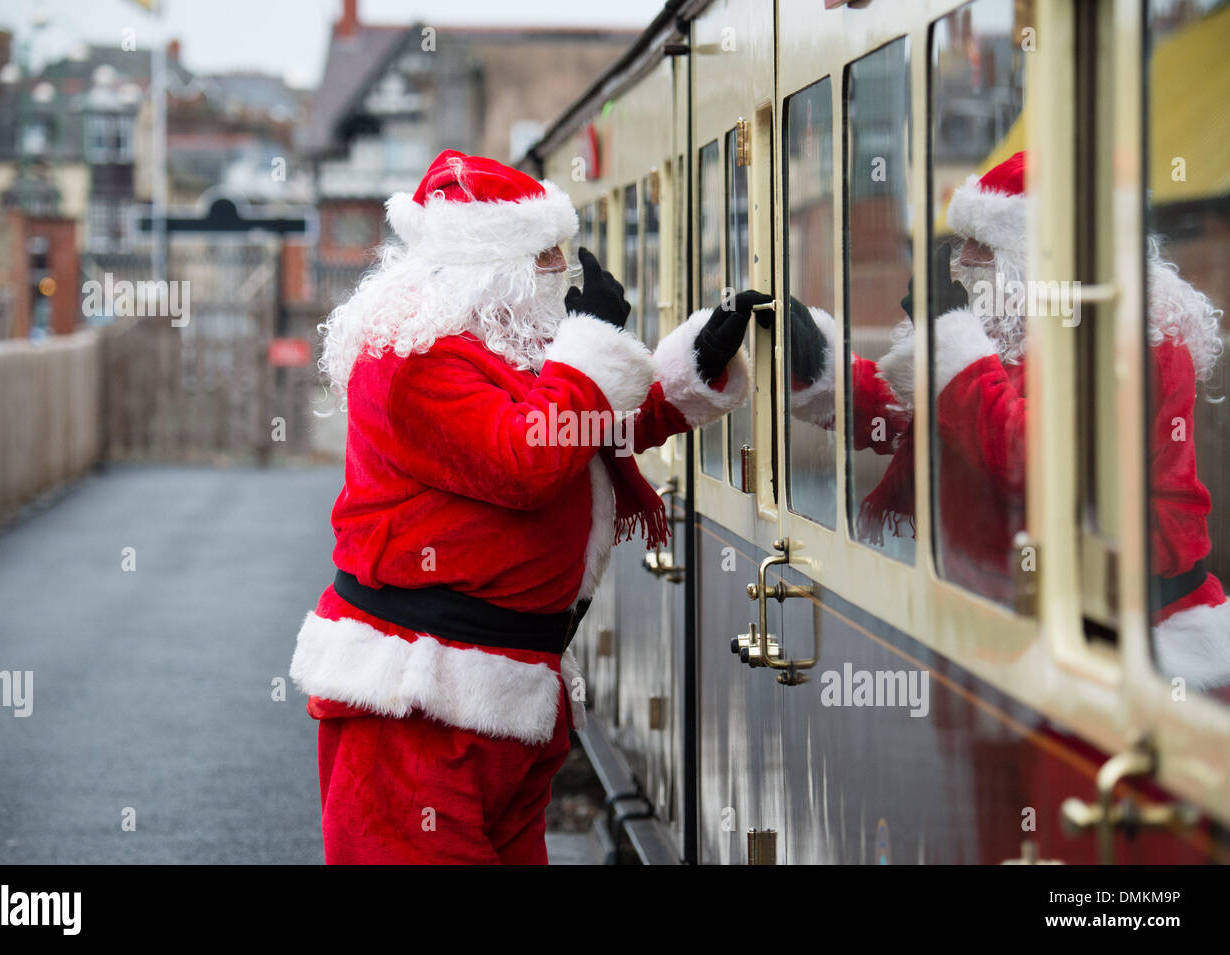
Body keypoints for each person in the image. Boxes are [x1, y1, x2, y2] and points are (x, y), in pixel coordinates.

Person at [290, 149, 771, 863]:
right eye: (544, 253)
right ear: (491, 263)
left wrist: (690, 367)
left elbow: (585, 428)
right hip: (418, 707)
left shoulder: (494, 344)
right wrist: (588, 349)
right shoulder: (407, 358)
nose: (561, 270)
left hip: (501, 700)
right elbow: (527, 458)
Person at [789, 150, 1228, 688]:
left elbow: (1034, 459)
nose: (964, 259)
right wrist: (818, 367)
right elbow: (918, 416)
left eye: (984, 244)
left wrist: (949, 338)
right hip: (1007, 618)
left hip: (1132, 644)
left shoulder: (1140, 343)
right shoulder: (1023, 330)